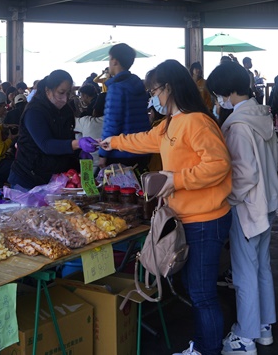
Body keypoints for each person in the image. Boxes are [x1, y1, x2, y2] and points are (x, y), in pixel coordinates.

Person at [98, 60, 232, 355]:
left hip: (206, 219)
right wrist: (112, 142)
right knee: (194, 287)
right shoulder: (171, 122)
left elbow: (219, 165)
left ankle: (208, 350)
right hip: (185, 217)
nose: (154, 97)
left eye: (155, 90)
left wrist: (177, 179)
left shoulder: (196, 121)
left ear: (169, 87)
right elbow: (145, 140)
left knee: (202, 293)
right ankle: (202, 345)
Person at [207, 63, 278, 351]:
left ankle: (246, 338)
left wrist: (228, 198)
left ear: (227, 91)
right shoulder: (262, 115)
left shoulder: (237, 126)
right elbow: (274, 156)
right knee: (262, 266)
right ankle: (264, 326)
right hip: (269, 203)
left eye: (217, 94)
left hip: (248, 207)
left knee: (244, 271)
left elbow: (244, 174)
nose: (218, 100)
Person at [8, 70, 81, 190]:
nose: (65, 99)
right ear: (48, 91)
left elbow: (66, 139)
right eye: (61, 93)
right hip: (29, 178)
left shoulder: (66, 111)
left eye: (69, 93)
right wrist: (77, 144)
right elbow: (46, 144)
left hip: (54, 178)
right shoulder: (34, 112)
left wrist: (79, 153)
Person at [99, 43, 151, 169]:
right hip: (143, 148)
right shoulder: (138, 85)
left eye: (109, 58)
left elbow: (112, 123)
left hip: (121, 152)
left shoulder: (116, 88)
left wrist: (103, 153)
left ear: (115, 61)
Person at [75, 93, 105, 167]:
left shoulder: (87, 121)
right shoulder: (120, 123)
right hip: (115, 165)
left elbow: (70, 123)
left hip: (90, 165)